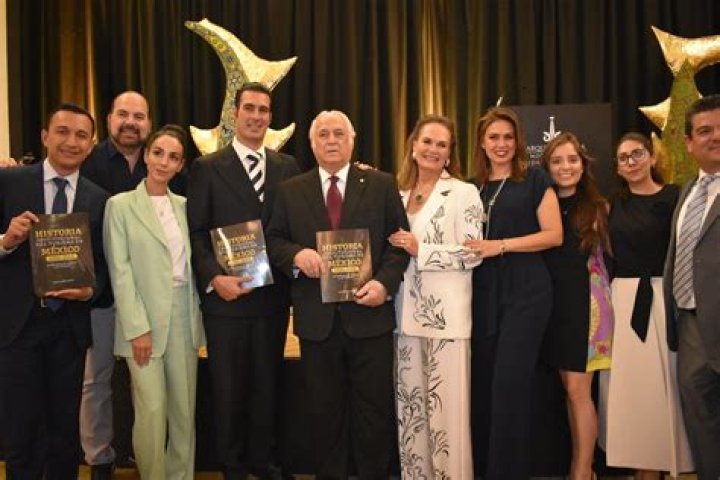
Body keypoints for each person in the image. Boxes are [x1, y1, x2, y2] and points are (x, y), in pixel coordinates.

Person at [266, 110, 410, 478]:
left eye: (339, 134)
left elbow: (398, 245)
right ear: (312, 144)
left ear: (352, 140)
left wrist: (384, 284)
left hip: (370, 319)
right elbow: (274, 239)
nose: (331, 140)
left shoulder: (381, 184)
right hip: (318, 324)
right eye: (324, 134)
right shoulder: (291, 190)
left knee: (373, 414)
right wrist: (296, 255)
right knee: (324, 415)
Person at [186, 81, 299, 479]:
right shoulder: (206, 168)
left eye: (263, 110)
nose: (256, 116)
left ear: (270, 117)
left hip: (271, 298)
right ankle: (232, 465)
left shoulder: (287, 167)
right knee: (229, 389)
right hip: (227, 300)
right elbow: (196, 233)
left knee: (267, 385)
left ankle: (262, 461)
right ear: (235, 114)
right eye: (249, 108)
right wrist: (214, 278)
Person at [0, 103, 109, 478]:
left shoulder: (99, 199)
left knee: (64, 430)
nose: (71, 142)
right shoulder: (9, 182)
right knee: (20, 430)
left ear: (91, 145)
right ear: (45, 136)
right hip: (18, 327)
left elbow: (103, 267)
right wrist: (6, 240)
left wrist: (89, 291)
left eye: (81, 135)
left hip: (69, 328)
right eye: (62, 132)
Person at [79, 90, 173, 479]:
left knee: (147, 383)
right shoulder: (86, 163)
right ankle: (100, 457)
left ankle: (142, 451)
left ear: (149, 123)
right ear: (109, 119)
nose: (130, 122)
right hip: (101, 294)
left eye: (139, 116)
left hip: (149, 297)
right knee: (97, 378)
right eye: (123, 114)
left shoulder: (164, 165)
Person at [464, 106, 562, 480]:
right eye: (494, 137)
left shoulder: (534, 179)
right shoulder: (470, 187)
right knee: (483, 387)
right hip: (483, 295)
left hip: (526, 293)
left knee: (510, 388)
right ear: (481, 143)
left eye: (508, 137)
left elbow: (554, 235)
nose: (501, 144)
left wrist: (501, 245)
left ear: (518, 141)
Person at [103, 124, 205, 479]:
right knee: (151, 411)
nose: (164, 162)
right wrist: (137, 328)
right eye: (158, 153)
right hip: (142, 319)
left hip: (184, 317)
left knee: (183, 412)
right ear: (146, 155)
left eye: (173, 157)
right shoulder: (119, 206)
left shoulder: (186, 207)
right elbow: (120, 272)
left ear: (180, 165)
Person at [388, 115, 483, 478]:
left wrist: (421, 250)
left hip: (446, 322)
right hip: (403, 319)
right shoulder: (396, 194)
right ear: (413, 145)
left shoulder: (463, 192)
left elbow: (473, 253)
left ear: (450, 153)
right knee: (411, 418)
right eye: (427, 141)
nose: (433, 149)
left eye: (442, 144)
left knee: (446, 422)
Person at [598, 132, 693, 479]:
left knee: (664, 385)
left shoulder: (676, 197)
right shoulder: (611, 204)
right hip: (623, 303)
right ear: (617, 168)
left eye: (637, 154)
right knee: (632, 388)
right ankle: (642, 468)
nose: (631, 162)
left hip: (664, 299)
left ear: (653, 157)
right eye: (623, 158)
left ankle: (664, 463)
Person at [539, 132, 613, 480]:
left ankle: (583, 470)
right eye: (557, 161)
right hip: (553, 309)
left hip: (586, 309)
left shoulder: (598, 207)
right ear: (547, 167)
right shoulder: (543, 205)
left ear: (583, 165)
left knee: (578, 392)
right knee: (569, 392)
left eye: (572, 159)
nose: (565, 167)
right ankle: (581, 467)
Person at [663, 94, 720, 480]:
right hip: (691, 325)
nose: (715, 136)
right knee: (702, 424)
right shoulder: (686, 192)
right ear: (688, 142)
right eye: (705, 130)